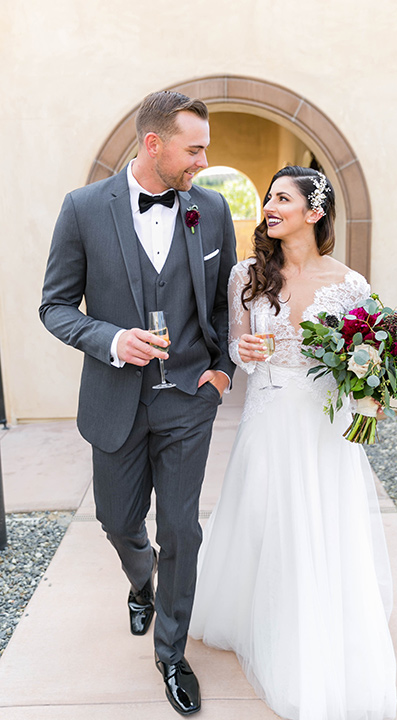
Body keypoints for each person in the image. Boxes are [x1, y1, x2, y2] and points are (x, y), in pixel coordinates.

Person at [39, 90, 237, 716]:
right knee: (119, 522)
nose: (203, 159)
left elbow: (227, 302)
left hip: (189, 399)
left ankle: (172, 653)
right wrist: (113, 339)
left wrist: (223, 371)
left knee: (182, 527)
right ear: (154, 144)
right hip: (114, 398)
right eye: (194, 147)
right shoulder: (83, 209)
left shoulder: (211, 209)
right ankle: (141, 579)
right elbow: (55, 307)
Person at [190, 165, 397, 720]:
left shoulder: (351, 283)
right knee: (266, 518)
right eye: (268, 198)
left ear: (315, 210)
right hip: (269, 413)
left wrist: (369, 405)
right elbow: (235, 343)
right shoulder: (245, 276)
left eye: (283, 198)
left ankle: (318, 615)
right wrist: (245, 354)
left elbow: (373, 360)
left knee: (321, 520)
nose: (270, 207)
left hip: (325, 427)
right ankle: (262, 614)